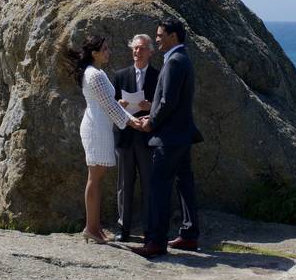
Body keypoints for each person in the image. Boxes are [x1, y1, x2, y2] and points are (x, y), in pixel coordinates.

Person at [131, 19, 202, 258]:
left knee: (159, 188)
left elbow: (167, 102)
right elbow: (171, 102)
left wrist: (151, 122)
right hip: (182, 135)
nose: (158, 39)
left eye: (161, 35)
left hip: (169, 138)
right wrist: (151, 116)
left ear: (173, 36)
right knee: (185, 185)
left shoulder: (174, 62)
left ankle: (156, 241)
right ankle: (189, 235)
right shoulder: (182, 59)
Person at [63, 35, 142, 244]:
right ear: (94, 53)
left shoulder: (97, 72)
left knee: (97, 177)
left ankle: (95, 227)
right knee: (95, 178)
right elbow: (107, 105)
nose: (109, 52)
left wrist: (121, 106)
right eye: (105, 49)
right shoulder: (94, 75)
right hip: (96, 127)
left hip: (101, 124)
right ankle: (91, 228)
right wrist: (132, 121)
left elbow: (107, 102)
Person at [111, 34, 158, 242]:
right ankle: (124, 228)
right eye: (134, 48)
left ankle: (150, 229)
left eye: (141, 49)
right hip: (126, 138)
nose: (137, 52)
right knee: (124, 185)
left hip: (147, 139)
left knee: (149, 185)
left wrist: (151, 107)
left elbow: (165, 105)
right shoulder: (120, 75)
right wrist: (119, 105)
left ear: (150, 51)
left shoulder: (158, 77)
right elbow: (110, 105)